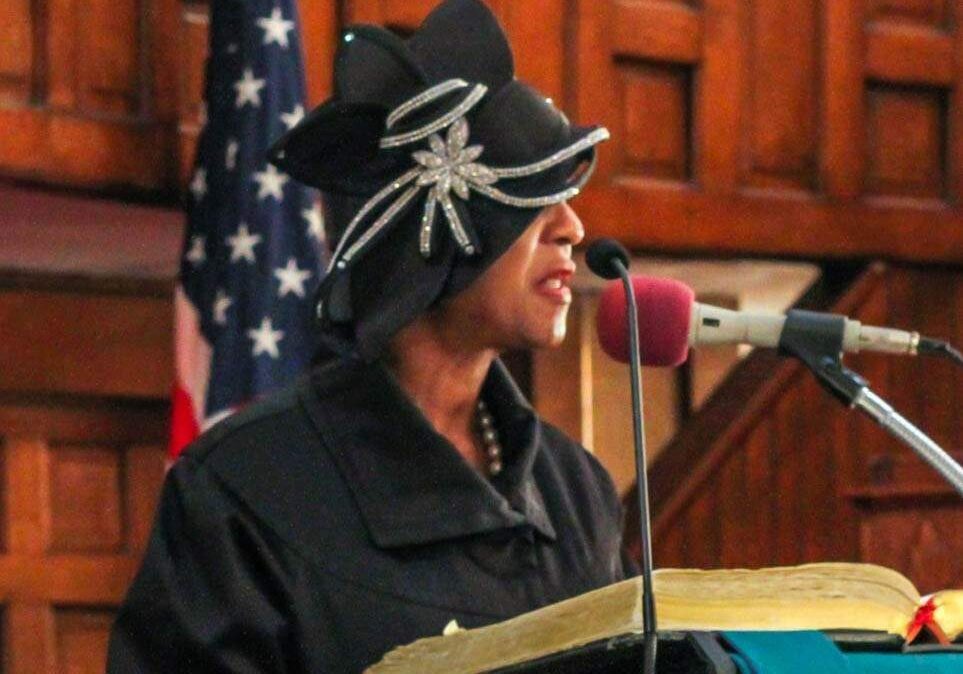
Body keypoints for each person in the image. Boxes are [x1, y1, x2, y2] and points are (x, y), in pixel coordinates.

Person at [107, 1, 636, 671]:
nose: (570, 228)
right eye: (533, 196)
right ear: (430, 229)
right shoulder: (245, 487)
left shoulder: (574, 489)